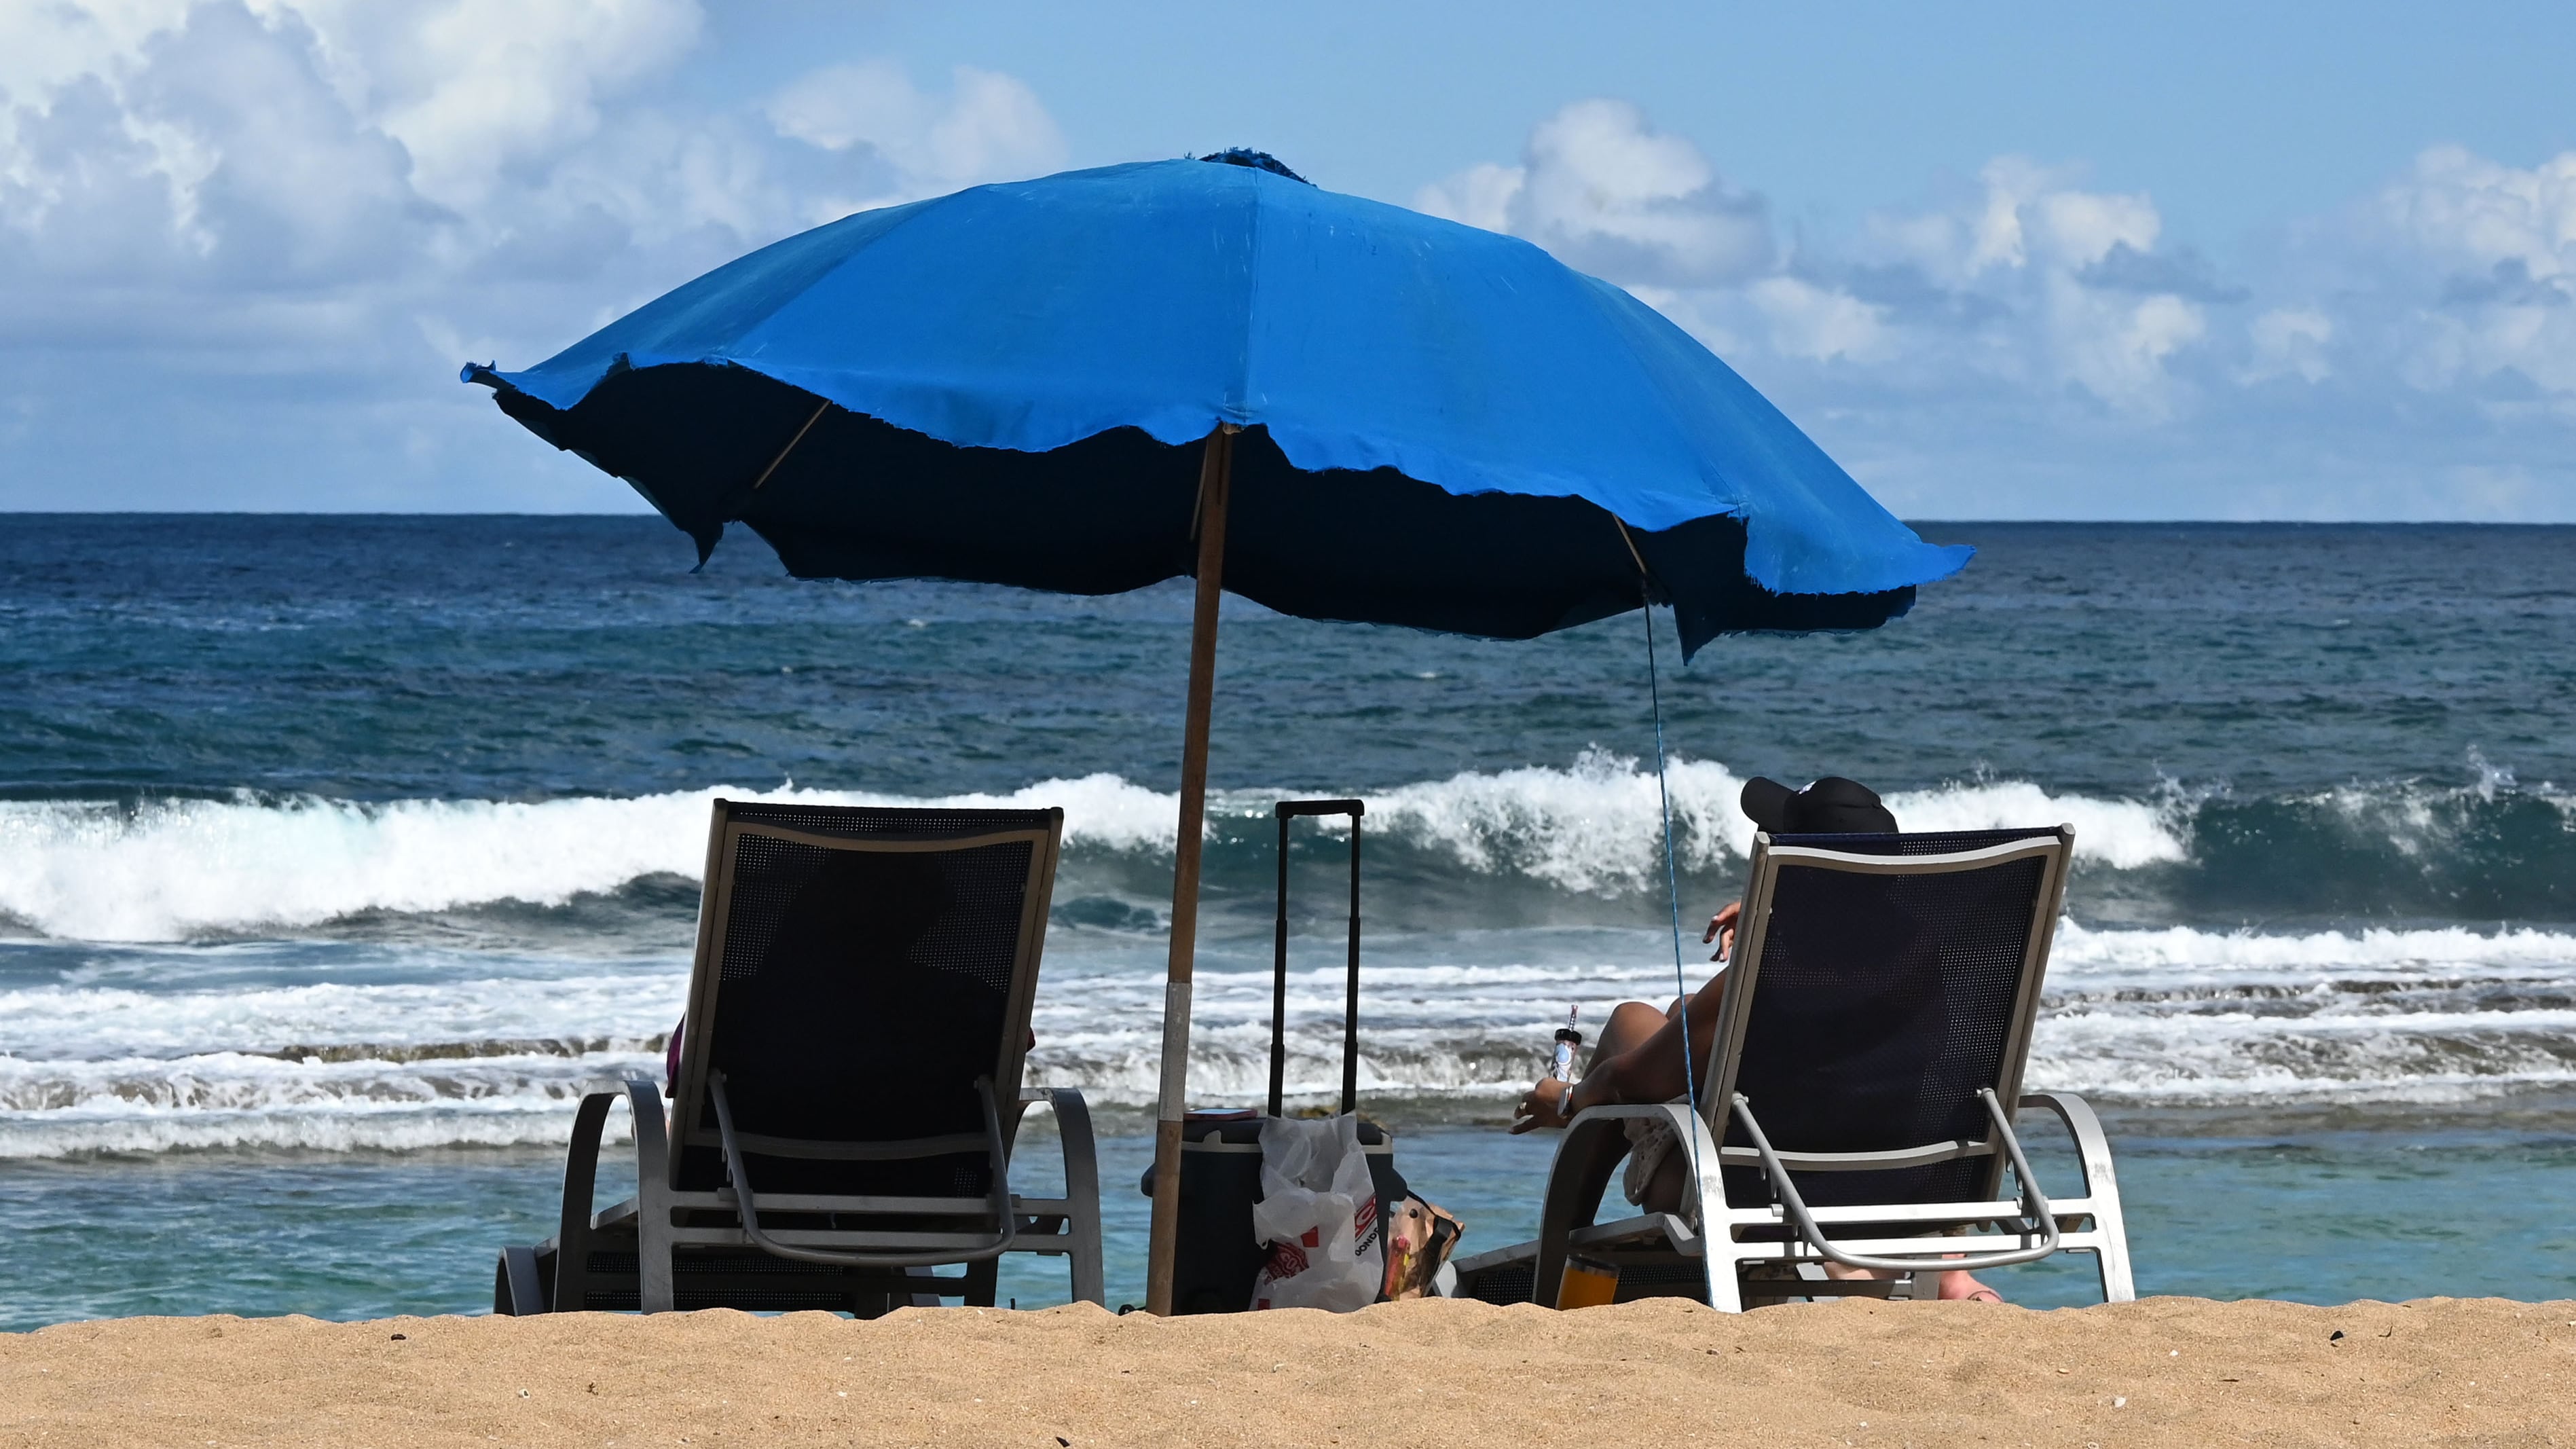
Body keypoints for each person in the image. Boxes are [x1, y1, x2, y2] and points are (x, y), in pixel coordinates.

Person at [1509, 774, 2002, 1304]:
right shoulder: (1928, 961)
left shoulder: (1768, 973)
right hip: (1894, 1190)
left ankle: (1559, 1279)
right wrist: (1783, 916)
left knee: (1631, 1023)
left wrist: (1564, 1099)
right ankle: (1953, 1278)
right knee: (1683, 1015)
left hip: (1755, 1198)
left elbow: (1633, 1080)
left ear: (1796, 868)